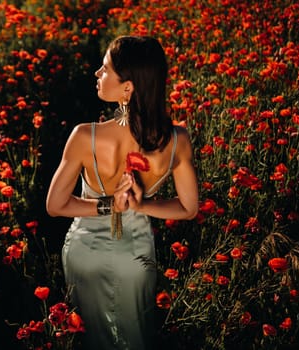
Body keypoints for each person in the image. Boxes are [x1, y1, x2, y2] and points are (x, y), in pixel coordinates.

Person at [46, 35, 199, 349]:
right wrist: (140, 207)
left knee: (88, 335)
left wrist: (107, 206)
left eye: (104, 69)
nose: (96, 75)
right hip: (135, 257)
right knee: (135, 334)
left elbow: (55, 205)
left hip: (85, 253)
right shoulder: (177, 140)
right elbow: (188, 208)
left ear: (128, 87)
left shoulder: (84, 136)